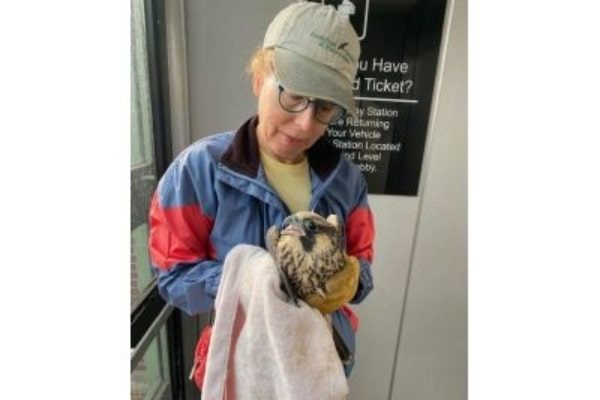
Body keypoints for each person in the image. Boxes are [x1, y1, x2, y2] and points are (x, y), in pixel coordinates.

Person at [148, 1, 375, 376]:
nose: (305, 124)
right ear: (258, 77)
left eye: (325, 107)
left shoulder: (347, 180)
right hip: (240, 368)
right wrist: (251, 276)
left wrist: (344, 281)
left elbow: (364, 270)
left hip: (319, 365)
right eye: (295, 94)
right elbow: (173, 277)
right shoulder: (199, 171)